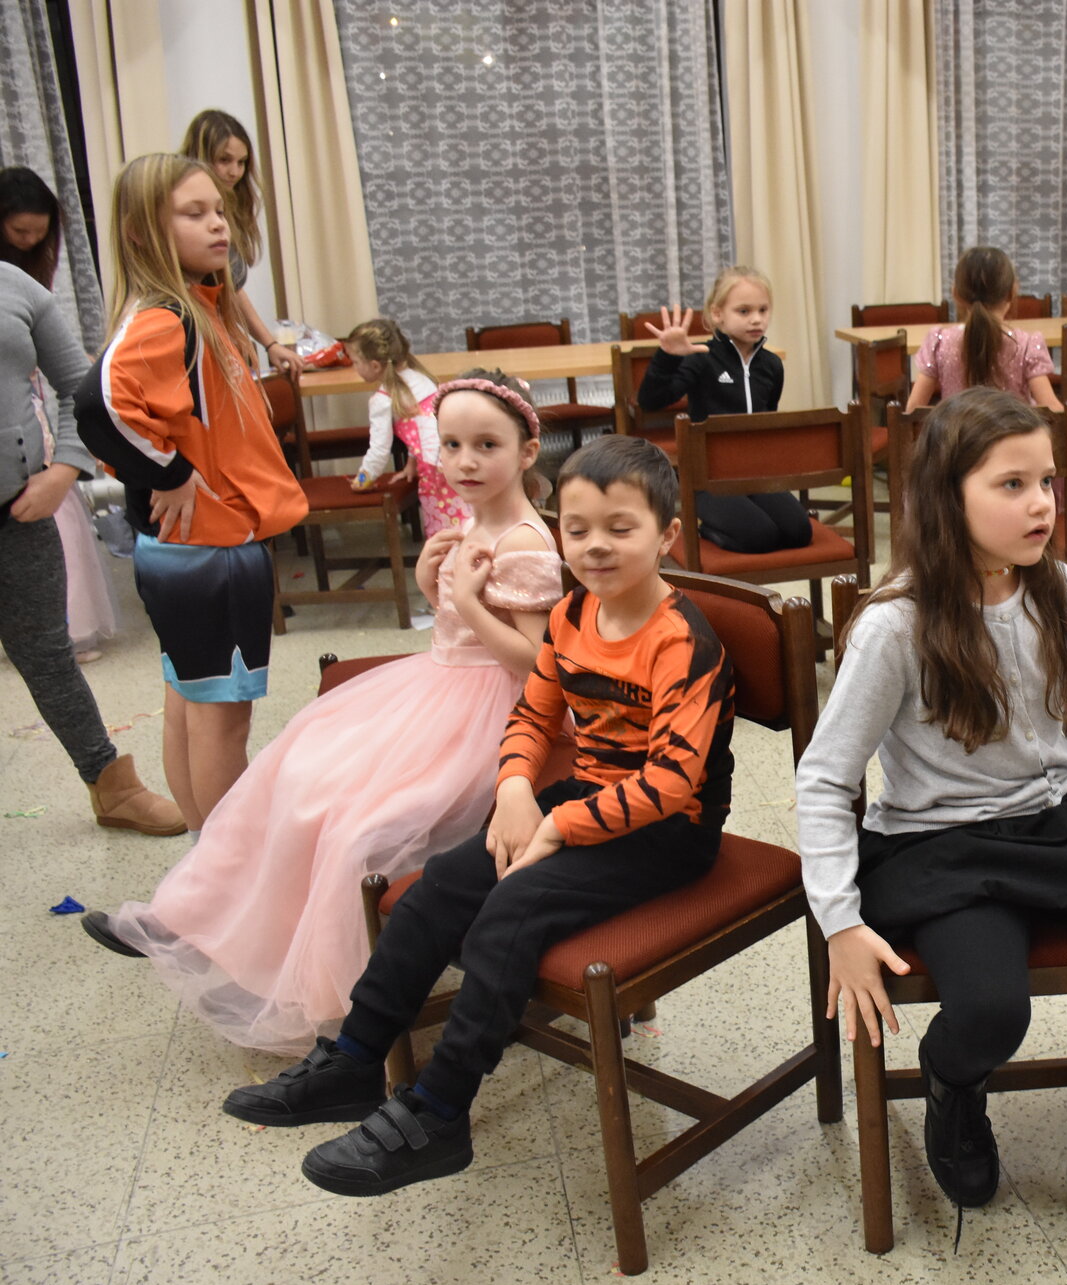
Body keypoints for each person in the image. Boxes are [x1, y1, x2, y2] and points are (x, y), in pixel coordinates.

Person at [796, 389, 1067, 1285]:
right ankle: (951, 1085)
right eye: (1013, 484)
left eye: (1048, 482)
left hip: (1062, 820)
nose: (1042, 504)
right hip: (946, 843)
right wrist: (839, 921)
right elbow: (826, 780)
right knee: (993, 1011)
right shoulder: (895, 624)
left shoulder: (1061, 591)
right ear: (945, 498)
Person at [219, 435, 735, 1194]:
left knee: (509, 912)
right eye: (577, 529)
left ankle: (438, 1112)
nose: (595, 545)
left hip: (668, 831)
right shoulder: (571, 614)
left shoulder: (683, 640)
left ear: (666, 536)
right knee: (439, 887)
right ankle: (354, 1060)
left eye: (620, 528)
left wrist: (555, 826)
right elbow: (534, 712)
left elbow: (669, 782)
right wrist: (518, 789)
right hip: (584, 798)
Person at [80, 372, 564, 1054]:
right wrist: (434, 585)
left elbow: (539, 663)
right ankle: (191, 922)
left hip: (491, 714)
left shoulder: (524, 541)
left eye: (487, 445)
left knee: (350, 822)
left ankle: (319, 988)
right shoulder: (468, 521)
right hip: (434, 690)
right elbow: (455, 625)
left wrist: (467, 602)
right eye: (452, 445)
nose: (466, 461)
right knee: (293, 773)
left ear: (527, 451)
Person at [74, 153, 308, 830]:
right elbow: (98, 406)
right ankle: (230, 870)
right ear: (142, 231)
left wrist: (162, 471)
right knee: (222, 724)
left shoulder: (189, 306)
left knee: (189, 704)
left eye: (219, 211)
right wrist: (170, 473)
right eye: (193, 213)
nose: (218, 225)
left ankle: (207, 860)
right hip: (213, 548)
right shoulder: (169, 316)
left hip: (189, 549)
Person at [0, 173, 181, 836]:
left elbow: (81, 388)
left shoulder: (17, 288)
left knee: (48, 654)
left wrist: (63, 470)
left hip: (17, 512)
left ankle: (111, 787)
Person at [1, 165, 118, 659]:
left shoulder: (24, 284)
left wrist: (67, 464)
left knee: (53, 511)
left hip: (26, 425)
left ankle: (66, 628)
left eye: (39, 233)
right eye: (19, 231)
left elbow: (73, 381)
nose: (30, 241)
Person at [637, 264, 810, 555]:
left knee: (799, 532)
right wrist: (667, 356)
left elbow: (768, 417)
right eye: (744, 311)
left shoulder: (771, 365)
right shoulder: (701, 358)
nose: (756, 319)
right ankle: (706, 529)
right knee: (760, 536)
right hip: (708, 479)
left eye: (763, 310)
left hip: (757, 474)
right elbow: (650, 401)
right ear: (717, 314)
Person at [908, 245, 1067, 499]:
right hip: (1013, 466)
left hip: (957, 464)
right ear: (1012, 292)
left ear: (955, 294)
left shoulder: (939, 341)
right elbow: (1051, 408)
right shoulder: (1026, 343)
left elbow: (913, 411)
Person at [179, 110, 305, 375]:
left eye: (242, 162)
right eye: (224, 160)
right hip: (193, 334)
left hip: (219, 333)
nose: (234, 172)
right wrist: (268, 343)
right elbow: (228, 287)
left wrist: (269, 344)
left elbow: (231, 286)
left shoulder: (232, 207)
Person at [344, 317, 465, 537]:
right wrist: (412, 462)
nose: (355, 368)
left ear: (374, 365)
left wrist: (364, 479)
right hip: (456, 456)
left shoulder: (383, 399)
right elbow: (424, 426)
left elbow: (379, 450)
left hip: (435, 469)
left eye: (355, 362)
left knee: (444, 529)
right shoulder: (422, 379)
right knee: (465, 519)